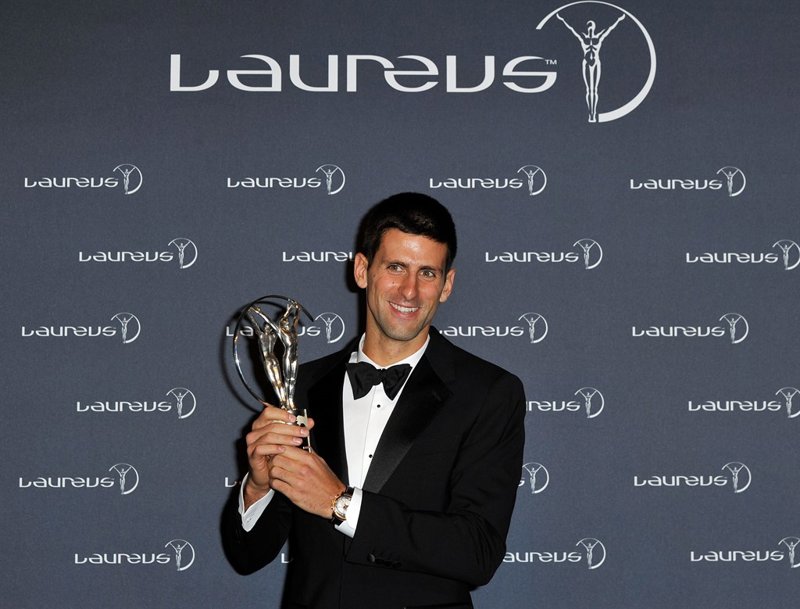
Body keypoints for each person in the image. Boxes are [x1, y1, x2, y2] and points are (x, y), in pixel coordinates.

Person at [222, 192, 526, 609]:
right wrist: (259, 486)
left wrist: (341, 504)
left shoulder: (488, 392)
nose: (410, 291)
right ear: (362, 270)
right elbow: (247, 556)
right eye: (396, 267)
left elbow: (477, 552)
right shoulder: (303, 387)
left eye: (427, 273)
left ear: (447, 285)